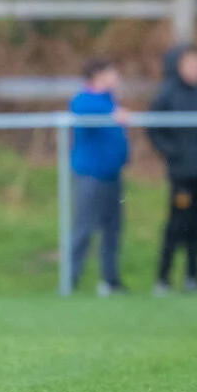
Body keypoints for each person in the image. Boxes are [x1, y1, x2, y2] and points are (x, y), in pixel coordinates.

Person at [148, 44, 197, 295]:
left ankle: (192, 277)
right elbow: (155, 129)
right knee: (177, 224)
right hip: (182, 174)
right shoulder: (167, 94)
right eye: (192, 64)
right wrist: (173, 153)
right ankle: (163, 278)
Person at [69, 57, 130, 296]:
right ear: (97, 75)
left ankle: (110, 281)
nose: (117, 78)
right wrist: (115, 114)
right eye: (112, 73)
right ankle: (70, 281)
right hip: (90, 175)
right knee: (83, 229)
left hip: (112, 174)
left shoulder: (109, 101)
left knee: (113, 229)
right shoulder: (84, 101)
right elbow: (85, 112)